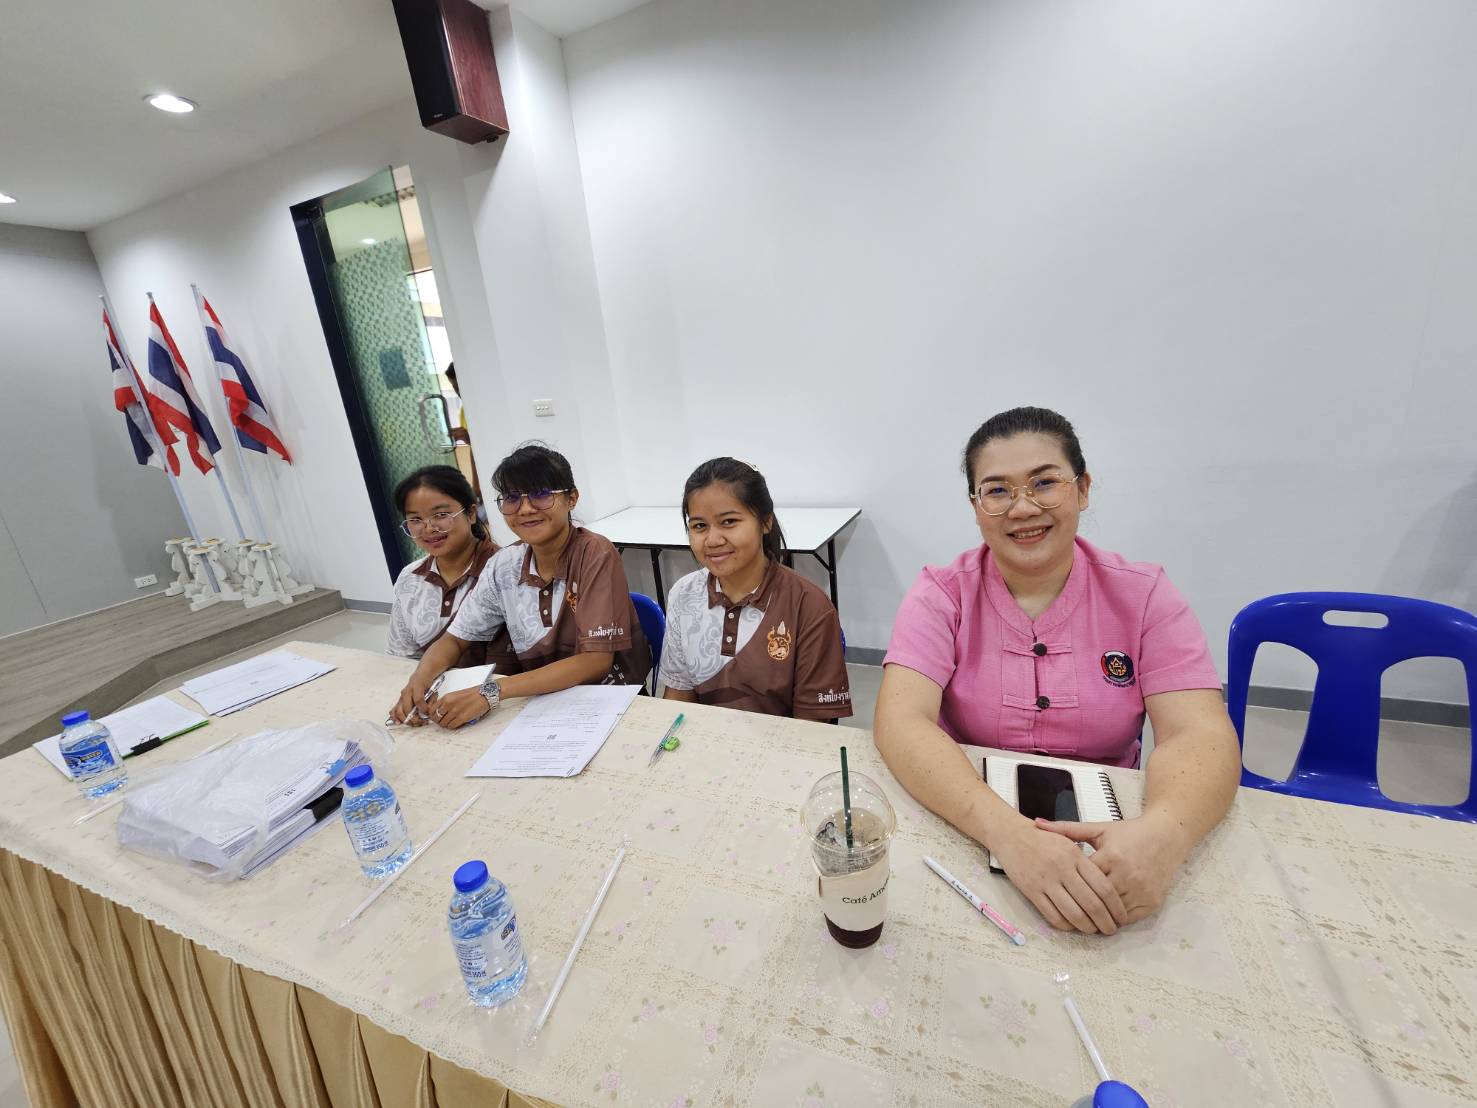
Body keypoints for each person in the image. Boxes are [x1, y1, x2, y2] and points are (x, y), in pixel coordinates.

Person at [874, 407, 1240, 936]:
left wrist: (1164, 835)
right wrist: (1008, 835)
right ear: (976, 507)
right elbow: (901, 722)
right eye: (997, 491)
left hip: (1116, 843)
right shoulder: (941, 593)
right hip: (969, 826)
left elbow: (1198, 733)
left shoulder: (1145, 595)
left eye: (1045, 483)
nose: (1022, 508)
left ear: (1083, 488)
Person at [389, 443, 651, 728]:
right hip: (541, 703)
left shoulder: (594, 552)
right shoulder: (504, 565)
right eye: (512, 498)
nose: (525, 509)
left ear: (571, 498)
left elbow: (596, 662)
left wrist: (492, 692)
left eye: (540, 494)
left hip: (609, 701)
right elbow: (455, 638)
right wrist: (418, 681)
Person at [660, 457, 851, 721]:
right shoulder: (683, 594)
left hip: (782, 753)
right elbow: (679, 698)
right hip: (704, 748)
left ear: (765, 522)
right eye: (699, 526)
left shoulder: (809, 606)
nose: (713, 540)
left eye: (729, 522)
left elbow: (813, 728)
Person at [386, 466, 517, 673]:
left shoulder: (507, 571)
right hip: (431, 689)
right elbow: (402, 656)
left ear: (471, 513)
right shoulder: (409, 578)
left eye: (440, 515)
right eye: (415, 519)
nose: (429, 528)